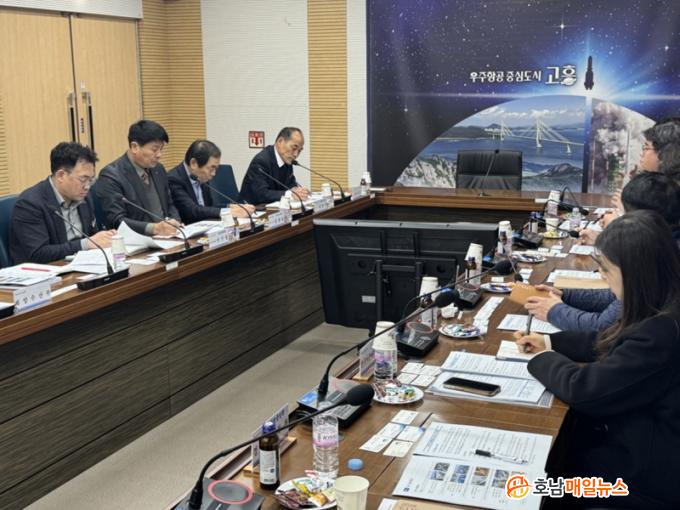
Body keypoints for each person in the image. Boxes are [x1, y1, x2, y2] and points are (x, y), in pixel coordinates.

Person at [515, 210, 680, 509]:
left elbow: (584, 390)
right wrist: (551, 341)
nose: (603, 277)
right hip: (644, 446)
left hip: (643, 475)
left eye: (606, 270)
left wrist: (542, 357)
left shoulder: (662, 332)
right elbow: (616, 341)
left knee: (536, 486)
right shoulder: (665, 302)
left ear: (634, 272)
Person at [526, 172, 680, 331]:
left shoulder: (651, 254)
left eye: (623, 213)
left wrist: (553, 311)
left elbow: (603, 326)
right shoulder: (662, 243)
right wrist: (564, 296)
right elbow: (615, 297)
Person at [10, 142, 116, 264]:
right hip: (48, 270)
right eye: (83, 179)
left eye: (91, 180)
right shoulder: (29, 204)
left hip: (83, 264)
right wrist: (85, 244)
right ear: (61, 175)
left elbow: (92, 235)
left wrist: (105, 238)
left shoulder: (84, 197)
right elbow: (38, 254)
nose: (87, 186)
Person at [96, 120, 181, 236]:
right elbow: (117, 220)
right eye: (154, 150)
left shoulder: (158, 169)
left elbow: (169, 204)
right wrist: (154, 228)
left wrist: (175, 222)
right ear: (135, 147)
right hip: (137, 241)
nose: (159, 155)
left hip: (168, 238)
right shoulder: (111, 175)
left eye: (161, 149)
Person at [168, 140, 255, 224]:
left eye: (216, 168)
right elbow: (192, 211)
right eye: (211, 168)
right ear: (194, 163)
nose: (214, 174)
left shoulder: (200, 176)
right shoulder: (174, 179)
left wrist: (231, 207)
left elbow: (209, 207)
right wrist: (228, 212)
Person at [239, 127, 310, 204]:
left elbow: (290, 185)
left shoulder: (287, 160)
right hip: (251, 208)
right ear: (280, 142)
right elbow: (262, 194)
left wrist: (299, 191)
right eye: (294, 148)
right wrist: (290, 194)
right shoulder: (261, 161)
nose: (296, 154)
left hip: (274, 208)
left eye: (299, 151)